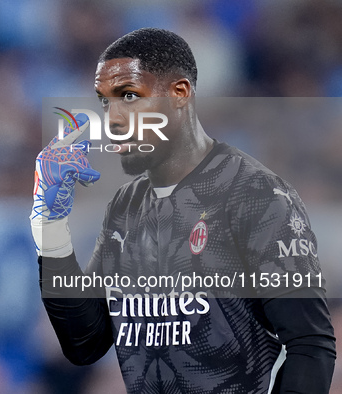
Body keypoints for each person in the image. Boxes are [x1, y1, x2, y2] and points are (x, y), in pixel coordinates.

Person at [30, 28, 336, 393]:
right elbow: (86, 344)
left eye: (129, 96)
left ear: (179, 94)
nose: (112, 119)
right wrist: (50, 229)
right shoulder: (126, 207)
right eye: (105, 101)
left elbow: (310, 345)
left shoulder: (255, 195)